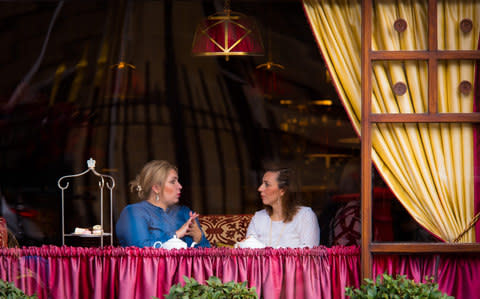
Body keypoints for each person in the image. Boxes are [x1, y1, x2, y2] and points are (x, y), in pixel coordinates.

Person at [116, 160, 210, 248]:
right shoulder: (133, 212)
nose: (180, 186)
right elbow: (139, 249)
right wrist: (177, 234)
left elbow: (207, 256)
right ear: (156, 188)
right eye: (173, 182)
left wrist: (199, 238)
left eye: (178, 181)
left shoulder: (185, 212)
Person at [246, 167, 320, 248]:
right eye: (262, 184)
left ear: (282, 190)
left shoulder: (305, 215)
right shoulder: (258, 217)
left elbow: (309, 255)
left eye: (267, 184)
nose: (260, 188)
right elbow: (248, 253)